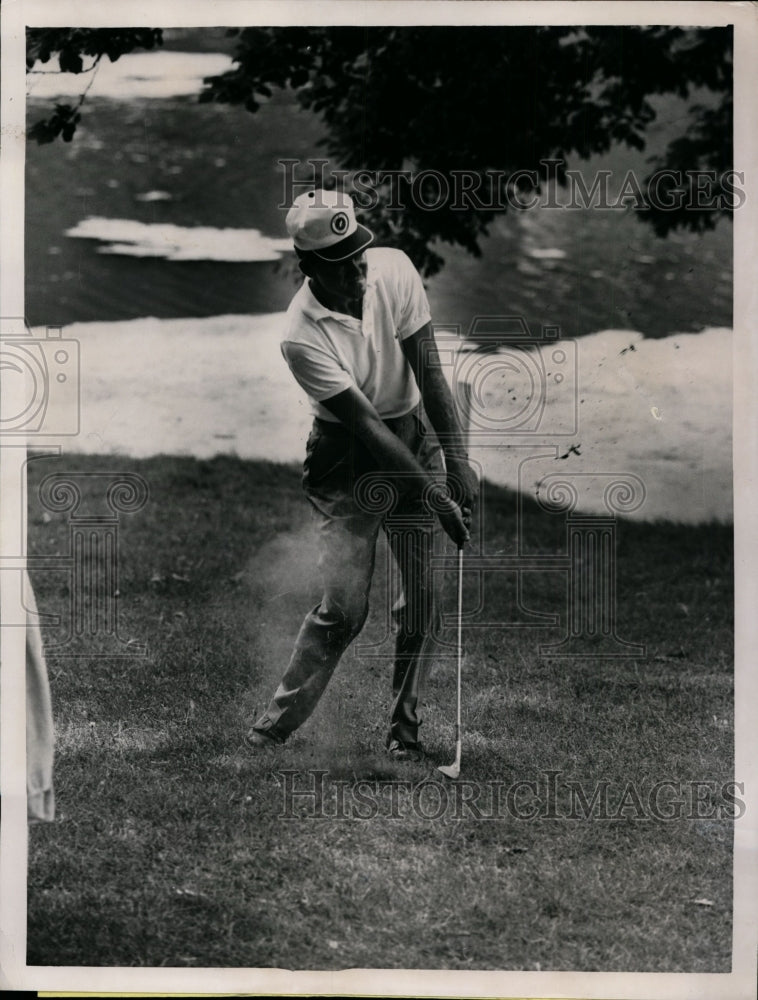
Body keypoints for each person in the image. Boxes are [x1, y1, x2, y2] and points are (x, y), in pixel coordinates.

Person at [246, 189, 478, 760]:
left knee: (423, 600)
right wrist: (436, 496)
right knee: (346, 610)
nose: (358, 270)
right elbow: (368, 430)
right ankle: (272, 728)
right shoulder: (300, 335)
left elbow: (431, 375)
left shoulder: (394, 271)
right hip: (345, 456)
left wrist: (458, 461)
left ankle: (404, 735)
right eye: (342, 263)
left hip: (412, 437)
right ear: (309, 268)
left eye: (359, 255)